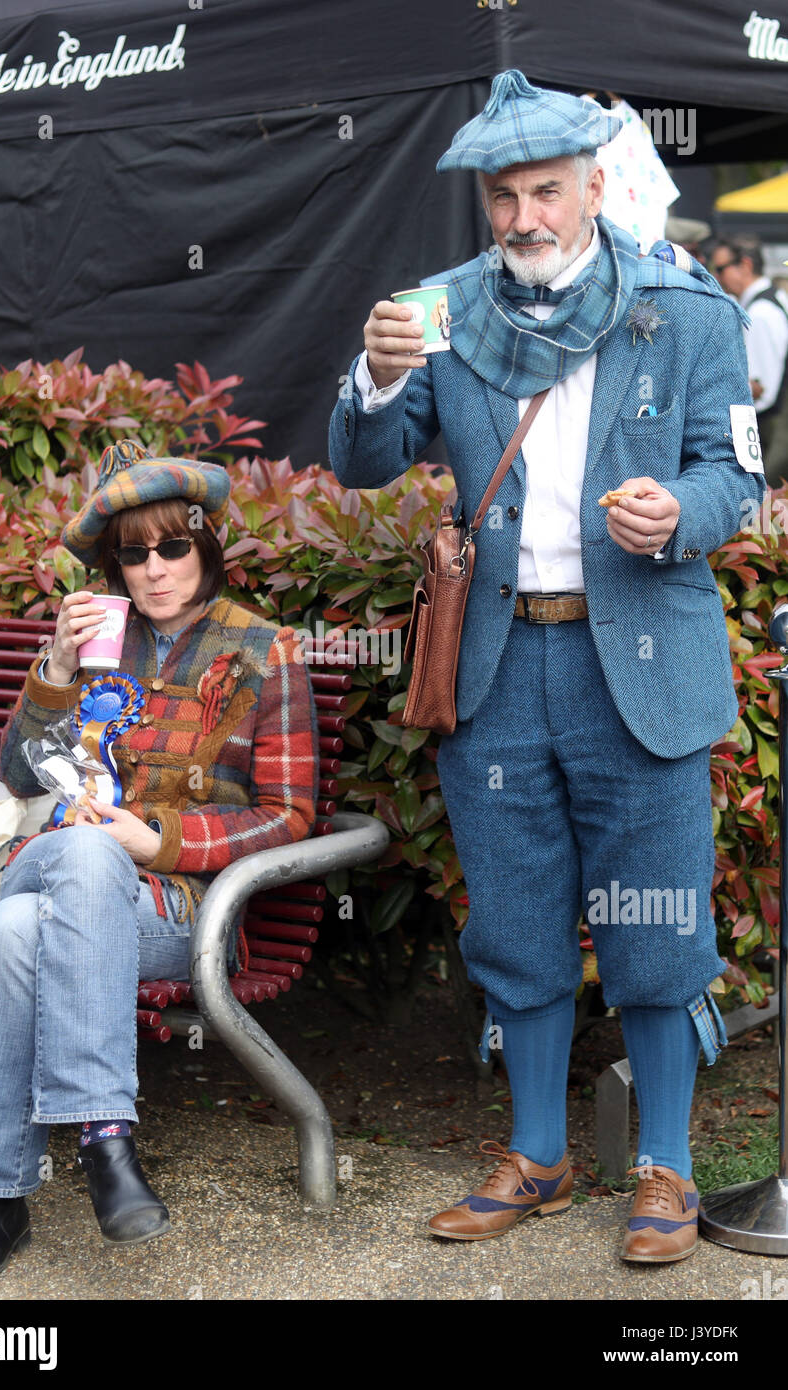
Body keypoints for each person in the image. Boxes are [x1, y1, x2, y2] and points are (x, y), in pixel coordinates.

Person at [329, 69, 765, 1264]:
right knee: (516, 923)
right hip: (500, 666)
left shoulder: (687, 312)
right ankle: (537, 1157)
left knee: (658, 925)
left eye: (547, 192)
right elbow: (364, 462)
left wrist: (677, 507)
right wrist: (372, 377)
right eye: (504, 197)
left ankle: (665, 1168)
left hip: (642, 662)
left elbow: (738, 481)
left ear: (594, 185)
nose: (525, 218)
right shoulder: (444, 312)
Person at [0, 439, 319, 1284]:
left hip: (178, 911)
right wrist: (57, 672)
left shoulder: (263, 650)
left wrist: (162, 843)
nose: (153, 569)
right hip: (58, 862)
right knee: (81, 856)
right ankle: (106, 1137)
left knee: (17, 936)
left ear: (205, 545)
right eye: (131, 554)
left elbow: (290, 817)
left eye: (172, 545)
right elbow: (24, 774)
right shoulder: (95, 642)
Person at [710, 233, 788, 483]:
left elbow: (758, 389)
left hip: (769, 437)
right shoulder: (771, 300)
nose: (717, 277)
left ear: (745, 265)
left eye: (721, 269)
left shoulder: (761, 312)